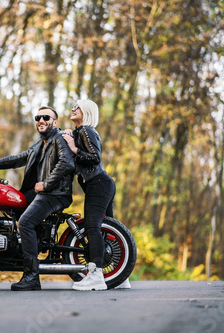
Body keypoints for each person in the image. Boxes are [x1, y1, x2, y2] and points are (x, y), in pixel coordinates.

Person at [0, 106, 75, 291]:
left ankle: (32, 277)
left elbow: (66, 163)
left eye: (46, 117)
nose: (41, 120)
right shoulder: (38, 144)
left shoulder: (59, 139)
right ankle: (18, 253)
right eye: (38, 117)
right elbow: (18, 159)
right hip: (41, 193)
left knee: (26, 222)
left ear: (55, 122)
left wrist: (46, 184)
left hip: (55, 193)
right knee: (12, 205)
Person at [62, 99, 131, 291]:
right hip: (102, 184)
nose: (73, 109)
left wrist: (74, 148)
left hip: (98, 184)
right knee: (107, 229)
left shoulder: (86, 130)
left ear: (86, 111)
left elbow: (94, 157)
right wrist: (70, 134)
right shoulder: (82, 132)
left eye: (77, 107)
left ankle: (97, 276)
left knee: (93, 228)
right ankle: (120, 277)